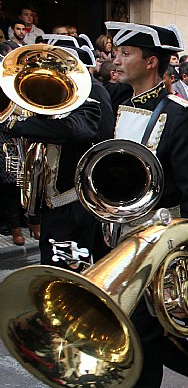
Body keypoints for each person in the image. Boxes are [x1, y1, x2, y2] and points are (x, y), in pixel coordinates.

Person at [106, 20, 188, 388]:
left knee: (142, 329)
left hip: (158, 235)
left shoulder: (179, 113)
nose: (117, 59)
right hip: (117, 233)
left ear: (152, 62)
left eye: (127, 53)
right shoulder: (118, 103)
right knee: (139, 329)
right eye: (117, 53)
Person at [5, 41, 112, 267]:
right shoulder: (49, 103)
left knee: (73, 273)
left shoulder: (90, 99)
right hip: (53, 206)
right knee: (52, 270)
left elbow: (74, 129)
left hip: (75, 206)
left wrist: (16, 125)